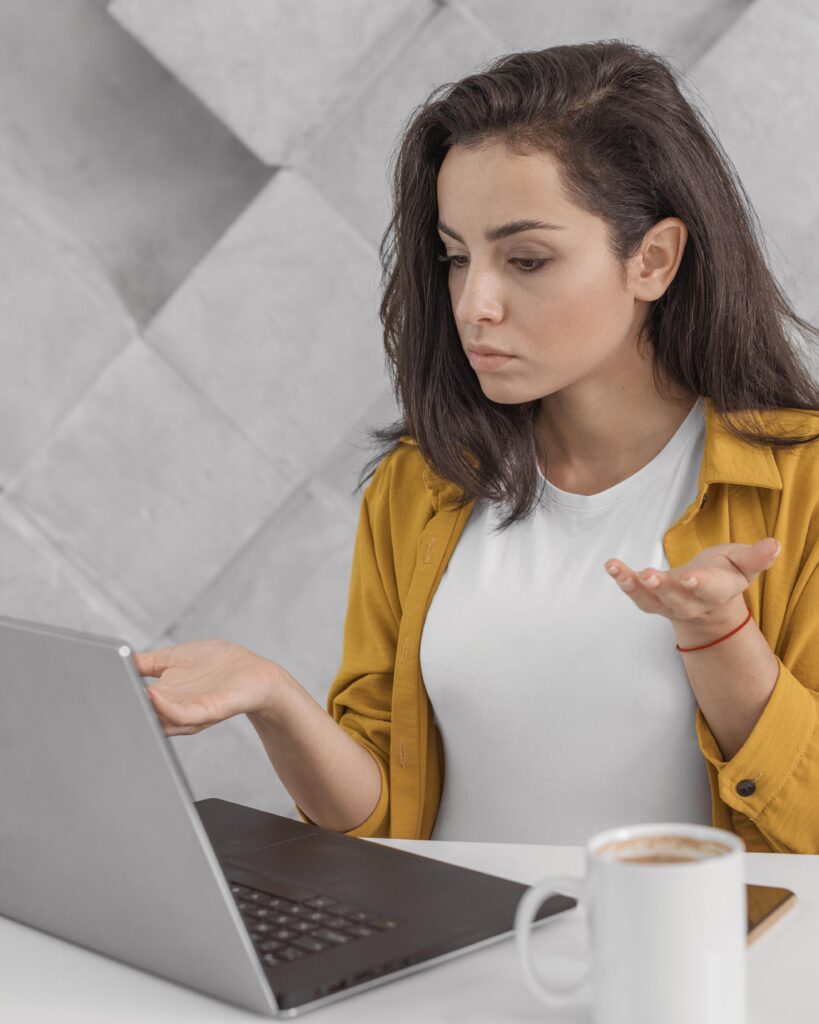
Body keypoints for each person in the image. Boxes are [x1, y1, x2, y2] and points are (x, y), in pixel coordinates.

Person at [135, 41, 819, 854]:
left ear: (653, 260)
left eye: (526, 259)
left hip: (682, 972)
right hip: (449, 966)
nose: (474, 304)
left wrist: (718, 639)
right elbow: (386, 821)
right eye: (456, 258)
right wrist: (275, 700)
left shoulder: (797, 486)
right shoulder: (421, 486)